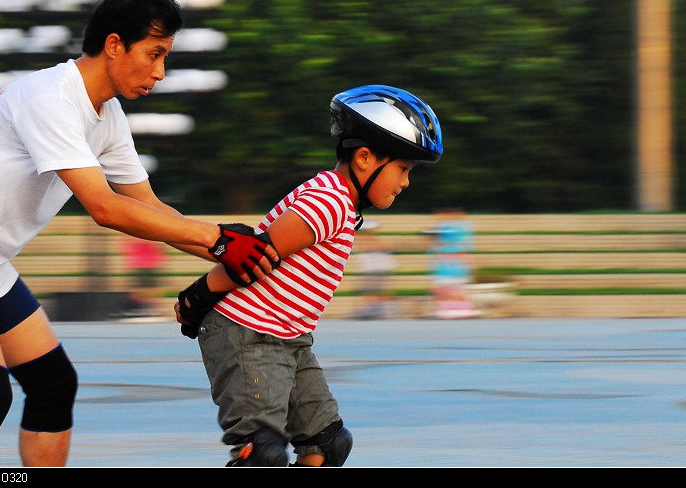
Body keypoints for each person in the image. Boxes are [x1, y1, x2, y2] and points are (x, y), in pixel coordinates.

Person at [0, 0, 279, 467]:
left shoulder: (106, 115)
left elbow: (151, 209)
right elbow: (105, 208)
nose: (160, 72)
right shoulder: (49, 99)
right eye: (154, 54)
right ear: (114, 45)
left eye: (166, 57)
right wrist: (217, 241)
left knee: (53, 384)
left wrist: (256, 253)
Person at [174, 84, 443, 466]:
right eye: (403, 168)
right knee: (262, 453)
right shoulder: (329, 200)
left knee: (327, 444)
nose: (406, 181)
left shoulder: (344, 205)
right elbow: (258, 255)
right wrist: (198, 296)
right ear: (365, 158)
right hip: (247, 332)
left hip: (289, 339)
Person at [426, 207, 480, 319]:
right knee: (446, 291)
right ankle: (449, 307)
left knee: (454, 291)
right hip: (446, 271)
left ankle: (461, 307)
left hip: (454, 271)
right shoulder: (441, 241)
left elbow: (465, 253)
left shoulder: (457, 236)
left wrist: (471, 265)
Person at [349, 220, 400, 320]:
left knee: (374, 288)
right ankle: (375, 307)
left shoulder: (374, 240)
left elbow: (390, 248)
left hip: (378, 268)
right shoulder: (361, 240)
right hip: (370, 268)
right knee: (369, 288)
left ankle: (379, 307)